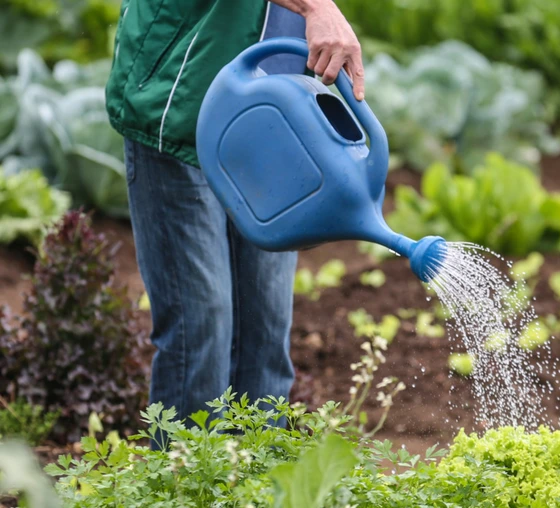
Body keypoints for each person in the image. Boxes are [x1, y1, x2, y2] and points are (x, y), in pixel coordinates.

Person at [105, 0, 365, 447]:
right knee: (201, 323)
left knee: (265, 330)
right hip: (182, 91)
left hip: (276, 112)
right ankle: (182, 485)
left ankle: (259, 482)